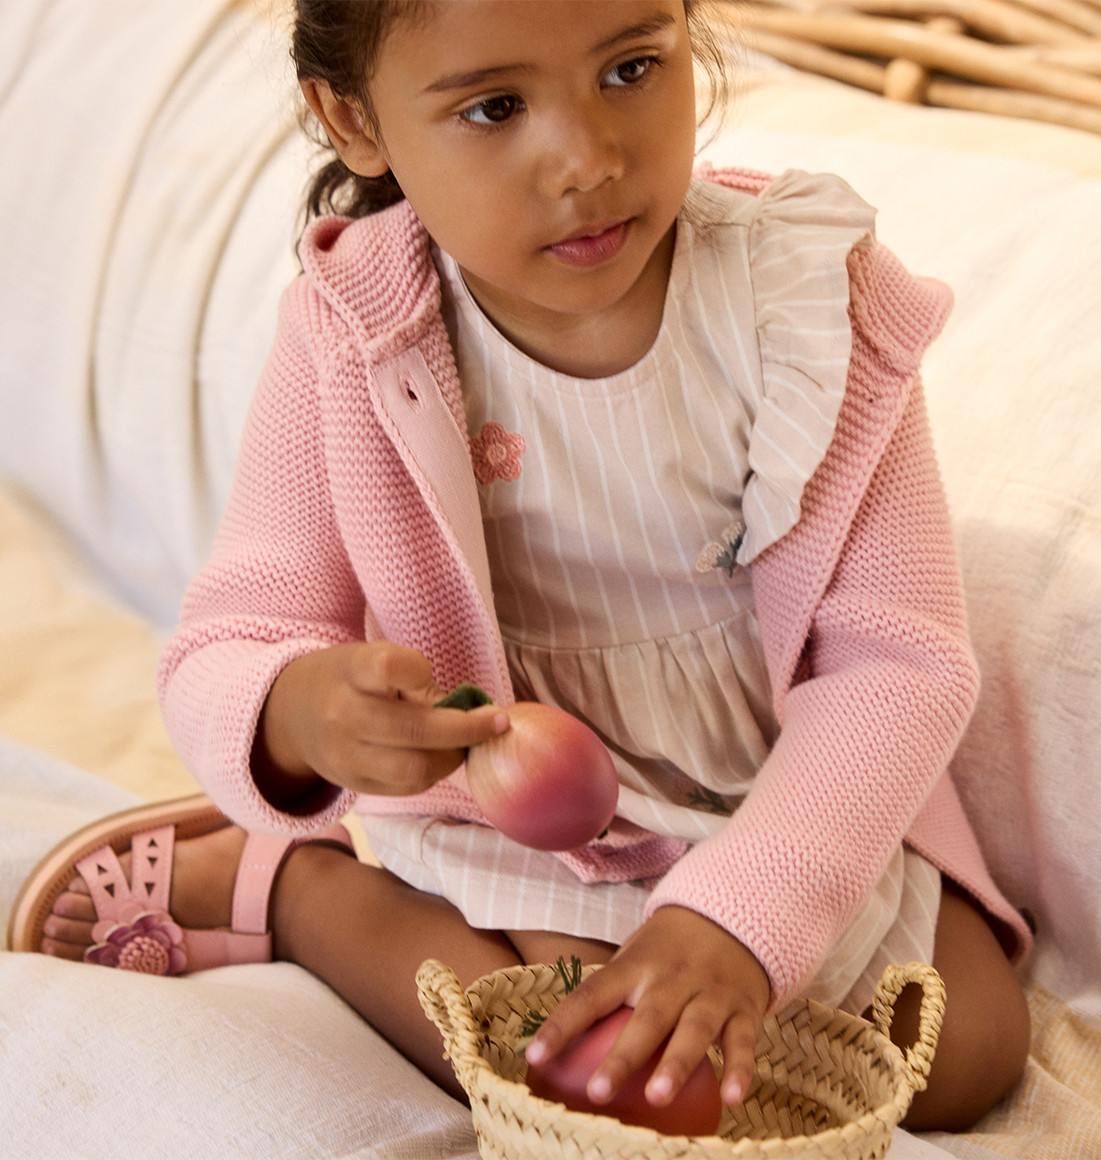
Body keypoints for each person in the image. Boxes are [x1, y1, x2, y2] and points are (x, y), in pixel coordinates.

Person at [10, 0, 1032, 1132]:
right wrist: (295, 711)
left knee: (963, 1047)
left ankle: (690, 933)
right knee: (570, 1052)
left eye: (632, 67)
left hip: (770, 789)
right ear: (353, 122)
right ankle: (290, 888)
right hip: (505, 814)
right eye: (494, 107)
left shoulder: (806, 301)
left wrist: (737, 919)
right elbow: (233, 632)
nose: (587, 159)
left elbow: (897, 662)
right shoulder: (352, 337)